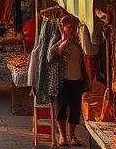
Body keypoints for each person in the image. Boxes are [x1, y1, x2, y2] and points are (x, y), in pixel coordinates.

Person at [49, 15, 88, 147]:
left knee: (75, 109)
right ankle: (62, 136)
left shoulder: (79, 42)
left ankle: (72, 136)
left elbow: (85, 56)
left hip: (77, 80)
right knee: (61, 108)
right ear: (63, 28)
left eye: (73, 26)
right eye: (68, 27)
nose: (71, 29)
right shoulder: (58, 41)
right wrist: (64, 40)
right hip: (62, 81)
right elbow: (51, 57)